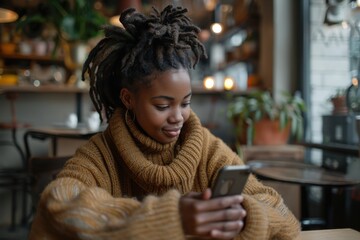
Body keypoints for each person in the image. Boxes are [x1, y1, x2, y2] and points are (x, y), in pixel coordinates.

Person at [29, 5, 300, 240]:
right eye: (162, 105)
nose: (178, 117)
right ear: (128, 99)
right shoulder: (102, 154)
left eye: (185, 103)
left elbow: (282, 214)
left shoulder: (206, 148)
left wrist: (241, 216)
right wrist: (171, 218)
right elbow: (56, 203)